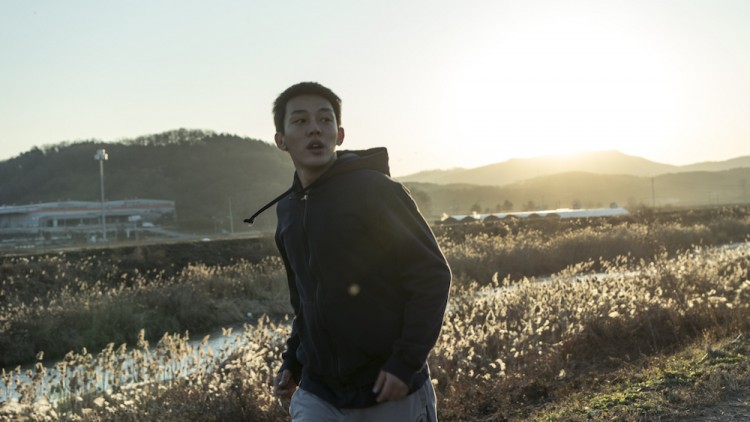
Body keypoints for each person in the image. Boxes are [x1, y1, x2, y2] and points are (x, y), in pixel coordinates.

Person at [245, 81, 451, 421]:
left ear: (339, 135)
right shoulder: (288, 210)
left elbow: (432, 276)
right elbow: (305, 300)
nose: (315, 128)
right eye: (300, 121)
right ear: (281, 140)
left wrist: (405, 363)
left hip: (386, 388)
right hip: (319, 393)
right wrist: (293, 361)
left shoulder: (377, 191)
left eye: (325, 120)